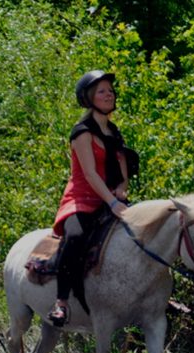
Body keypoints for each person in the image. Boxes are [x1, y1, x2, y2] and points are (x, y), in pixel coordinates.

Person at [46, 70, 133, 326]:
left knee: (145, 231)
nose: (109, 94)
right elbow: (90, 175)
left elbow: (122, 169)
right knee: (74, 237)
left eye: (110, 90)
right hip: (82, 199)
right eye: (102, 91)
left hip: (110, 199)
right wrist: (113, 202)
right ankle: (61, 302)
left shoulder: (114, 132)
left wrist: (122, 189)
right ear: (89, 98)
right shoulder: (81, 131)